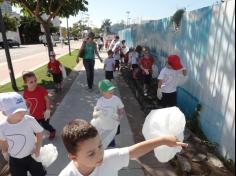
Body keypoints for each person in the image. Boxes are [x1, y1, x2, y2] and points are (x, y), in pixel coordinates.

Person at [59, 119, 188, 176]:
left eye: (100, 146)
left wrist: (163, 140)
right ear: (73, 157)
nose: (100, 154)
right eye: (91, 153)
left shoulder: (108, 159)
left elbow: (133, 151)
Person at [0, 92, 47, 176]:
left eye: (22, 108)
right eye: (16, 111)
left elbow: (39, 132)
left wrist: (37, 149)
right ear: (4, 113)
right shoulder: (2, 127)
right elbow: (3, 141)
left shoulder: (29, 120)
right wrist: (5, 152)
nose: (22, 112)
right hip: (15, 160)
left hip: (32, 155)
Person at [22, 72, 56, 140]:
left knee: (45, 125)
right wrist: (26, 111)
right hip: (33, 115)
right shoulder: (25, 93)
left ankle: (52, 131)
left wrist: (48, 110)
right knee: (34, 127)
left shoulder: (41, 89)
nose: (34, 83)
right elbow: (28, 103)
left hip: (44, 113)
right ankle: (34, 139)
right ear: (25, 83)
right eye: (31, 82)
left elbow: (47, 100)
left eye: (35, 81)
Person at [96, 79, 125, 148]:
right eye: (109, 90)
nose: (111, 91)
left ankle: (111, 146)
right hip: (103, 124)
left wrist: (120, 115)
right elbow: (97, 110)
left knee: (111, 136)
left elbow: (121, 109)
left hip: (113, 123)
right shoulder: (100, 101)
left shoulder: (116, 99)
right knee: (104, 137)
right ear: (102, 92)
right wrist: (97, 114)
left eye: (112, 89)